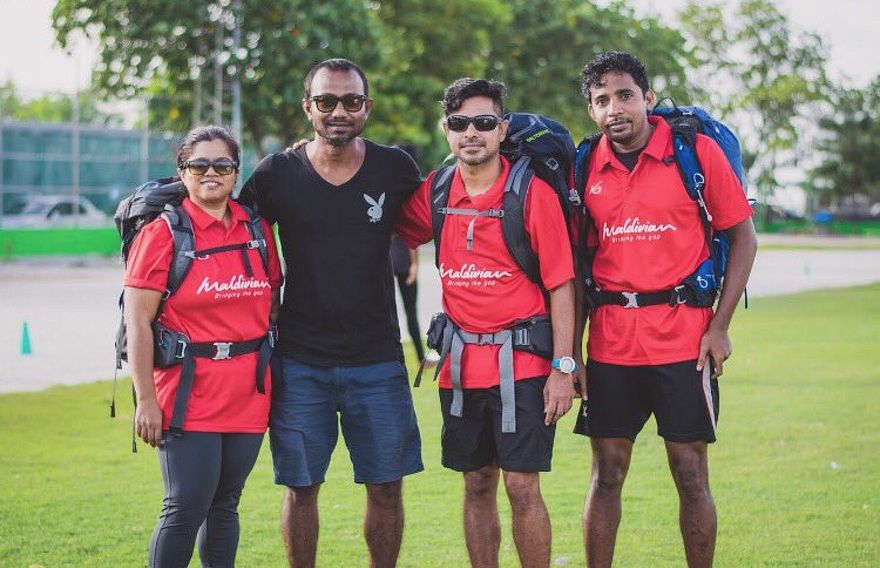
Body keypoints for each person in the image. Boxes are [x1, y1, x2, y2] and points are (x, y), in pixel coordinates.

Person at [573, 52, 757, 567]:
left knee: (690, 474)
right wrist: (572, 354)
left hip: (685, 342)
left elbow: (743, 237)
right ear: (591, 109)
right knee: (606, 474)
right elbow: (579, 267)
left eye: (625, 95)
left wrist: (720, 326)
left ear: (647, 98)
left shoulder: (694, 152)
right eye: (602, 100)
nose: (615, 108)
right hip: (610, 345)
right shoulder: (586, 166)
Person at [237, 58, 423, 568]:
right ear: (308, 107)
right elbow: (234, 236)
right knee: (301, 488)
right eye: (326, 101)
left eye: (351, 101)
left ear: (367, 106)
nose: (339, 111)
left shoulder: (395, 168)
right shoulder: (275, 173)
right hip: (300, 359)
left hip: (378, 358)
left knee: (386, 487)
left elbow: (440, 213)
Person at [395, 78, 578, 568]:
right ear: (446, 130)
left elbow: (562, 285)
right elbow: (385, 224)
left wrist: (563, 368)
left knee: (522, 485)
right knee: (476, 483)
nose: (470, 133)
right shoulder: (436, 190)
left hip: (523, 365)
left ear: (502, 129)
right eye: (459, 123)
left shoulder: (531, 193)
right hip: (459, 367)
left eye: (482, 122)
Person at [124, 125, 284, 567]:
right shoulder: (163, 233)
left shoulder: (256, 228)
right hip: (186, 392)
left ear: (236, 172)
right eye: (199, 165)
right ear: (183, 172)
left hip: (248, 390)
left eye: (222, 164)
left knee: (225, 504)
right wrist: (145, 400)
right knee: (185, 506)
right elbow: (138, 323)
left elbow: (272, 302)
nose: (211, 173)